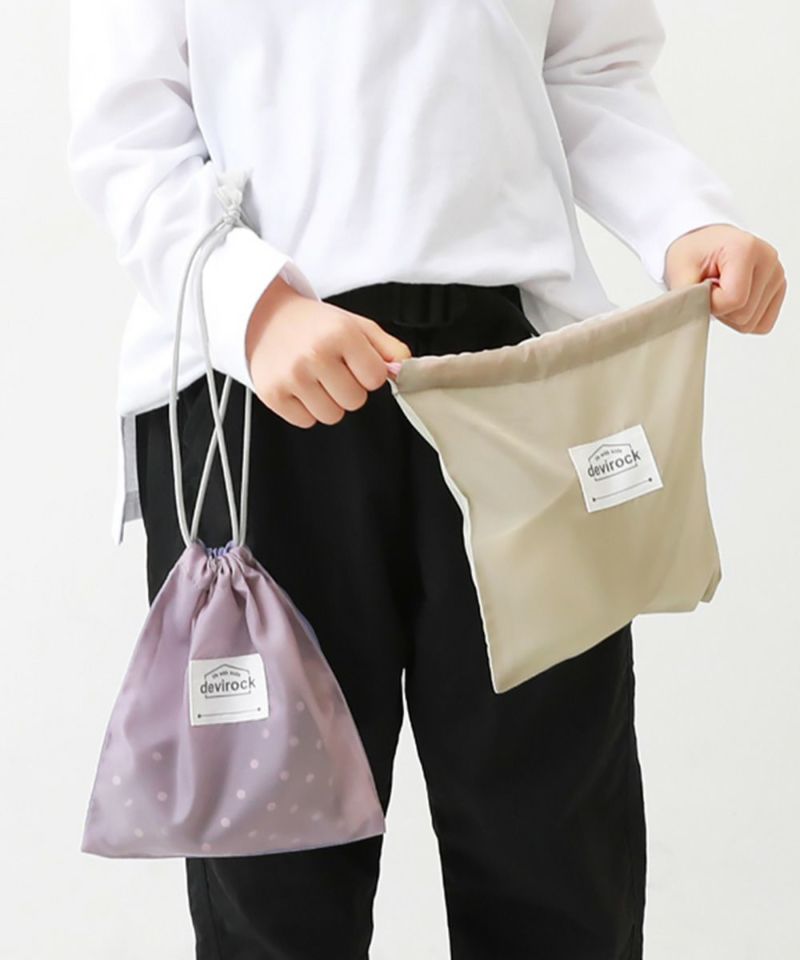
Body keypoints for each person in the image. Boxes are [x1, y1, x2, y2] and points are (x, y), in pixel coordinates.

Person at [66, 1, 785, 957]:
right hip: (256, 389)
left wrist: (683, 216)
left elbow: (589, 66)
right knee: (273, 881)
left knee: (556, 854)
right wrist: (257, 307)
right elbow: (128, 127)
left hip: (518, 384)